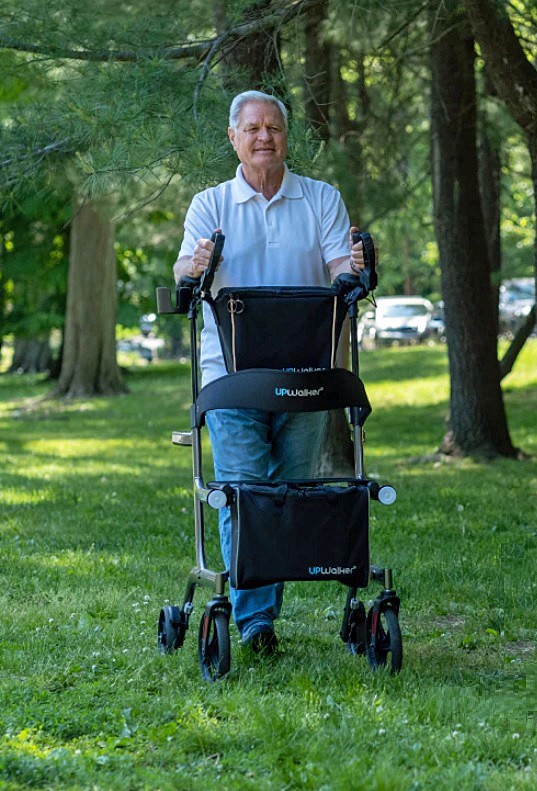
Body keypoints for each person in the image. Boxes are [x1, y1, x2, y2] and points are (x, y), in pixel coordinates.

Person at [172, 89, 374, 656]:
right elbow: (188, 267)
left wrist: (353, 267)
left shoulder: (320, 198)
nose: (265, 137)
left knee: (293, 493)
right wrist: (197, 264)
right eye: (253, 128)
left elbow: (340, 267)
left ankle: (264, 608)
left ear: (287, 137)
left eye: (275, 128)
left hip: (306, 375)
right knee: (245, 493)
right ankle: (257, 621)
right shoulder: (210, 204)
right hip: (231, 376)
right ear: (234, 138)